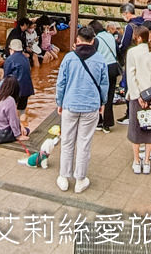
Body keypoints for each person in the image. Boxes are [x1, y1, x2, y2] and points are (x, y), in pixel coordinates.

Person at [54, 25, 109, 193]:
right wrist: (103, 102)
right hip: (91, 106)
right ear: (93, 41)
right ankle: (80, 179)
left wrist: (59, 102)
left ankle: (64, 177)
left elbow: (61, 83)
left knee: (67, 141)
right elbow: (104, 85)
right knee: (84, 143)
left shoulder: (69, 58)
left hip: (70, 104)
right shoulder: (100, 59)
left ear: (78, 40)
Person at [125, 23, 151, 174]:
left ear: (139, 38)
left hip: (137, 96)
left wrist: (136, 95)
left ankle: (136, 160)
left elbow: (131, 76)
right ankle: (147, 161)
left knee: (135, 128)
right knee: (150, 127)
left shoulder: (132, 53)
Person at [91, 20, 120, 132]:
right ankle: (107, 124)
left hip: (102, 69)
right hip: (113, 68)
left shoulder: (96, 40)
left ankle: (98, 121)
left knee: (98, 95)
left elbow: (92, 56)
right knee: (110, 96)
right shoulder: (110, 36)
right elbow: (117, 51)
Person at [2, 39, 35, 127]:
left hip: (15, 89)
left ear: (11, 49)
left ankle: (14, 128)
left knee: (11, 111)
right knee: (22, 111)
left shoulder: (9, 60)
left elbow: (6, 77)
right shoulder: (26, 58)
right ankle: (24, 126)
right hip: (27, 89)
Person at [0, 75, 27, 143]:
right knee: (26, 131)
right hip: (2, 133)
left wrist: (21, 125)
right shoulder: (10, 100)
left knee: (22, 129)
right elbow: (13, 120)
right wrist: (18, 136)